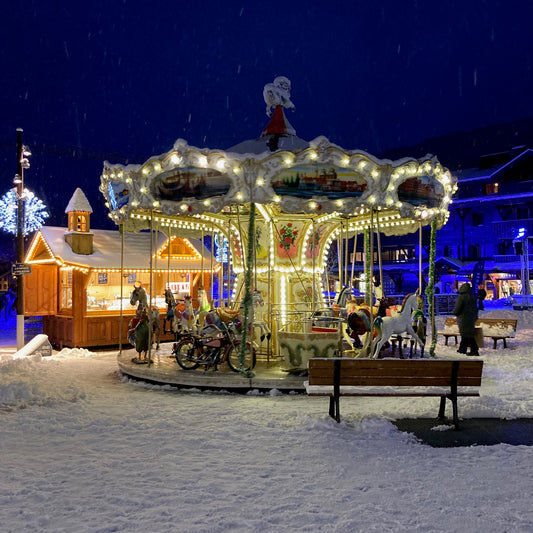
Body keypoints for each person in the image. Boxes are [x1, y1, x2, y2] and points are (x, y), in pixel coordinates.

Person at [453, 282, 479, 356]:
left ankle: (473, 350)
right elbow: (476, 309)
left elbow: (458, 308)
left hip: (463, 318)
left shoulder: (461, 297)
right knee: (467, 334)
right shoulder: (473, 297)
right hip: (471, 318)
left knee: (466, 334)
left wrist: (455, 313)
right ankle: (463, 348)